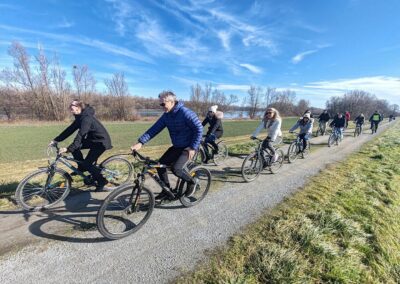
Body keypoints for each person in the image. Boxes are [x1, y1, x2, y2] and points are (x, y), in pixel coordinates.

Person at [130, 91, 203, 200]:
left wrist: (192, 147)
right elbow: (154, 129)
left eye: (163, 104)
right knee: (160, 166)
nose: (162, 107)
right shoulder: (166, 116)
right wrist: (141, 142)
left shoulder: (185, 113)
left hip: (189, 146)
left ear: (172, 102)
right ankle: (166, 190)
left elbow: (199, 129)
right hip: (177, 146)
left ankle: (192, 182)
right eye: (160, 104)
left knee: (176, 169)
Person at [50, 100, 112, 191]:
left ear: (78, 108)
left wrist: (68, 149)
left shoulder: (86, 119)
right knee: (75, 149)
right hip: (92, 140)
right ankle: (82, 167)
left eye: (72, 109)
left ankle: (102, 181)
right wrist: (56, 140)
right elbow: (70, 130)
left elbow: (80, 135)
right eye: (70, 109)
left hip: (101, 142)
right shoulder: (79, 117)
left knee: (87, 163)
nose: (70, 111)